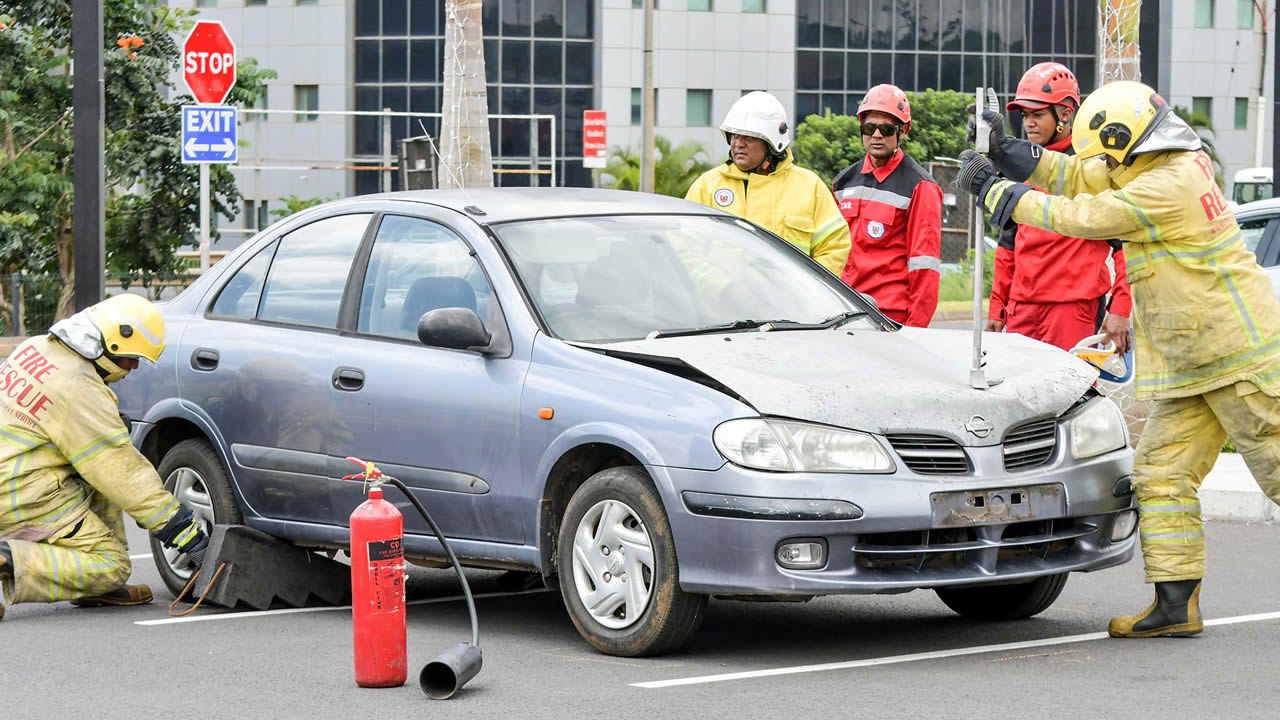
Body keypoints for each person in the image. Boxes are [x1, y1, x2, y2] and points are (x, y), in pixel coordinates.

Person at [957, 80, 1280, 638]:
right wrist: (1007, 149)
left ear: (1123, 138)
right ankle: (1176, 606)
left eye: (1107, 149)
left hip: (1238, 356)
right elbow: (1080, 175)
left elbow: (1083, 215)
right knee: (1160, 475)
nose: (1103, 160)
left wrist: (996, 191)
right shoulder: (1154, 162)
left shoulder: (1165, 184)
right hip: (1196, 362)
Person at [0, 294, 209, 621]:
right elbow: (123, 473)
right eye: (131, 358)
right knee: (112, 565)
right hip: (22, 494)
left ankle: (92, 588)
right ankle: (10, 559)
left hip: (14, 472)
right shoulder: (78, 387)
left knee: (102, 461)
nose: (134, 367)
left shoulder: (38, 346)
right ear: (111, 343)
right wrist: (183, 532)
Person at [987, 63, 1133, 353]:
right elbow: (1008, 246)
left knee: (1072, 393)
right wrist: (997, 307)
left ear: (1065, 114)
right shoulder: (1017, 165)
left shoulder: (1094, 167)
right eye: (1026, 115)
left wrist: (1121, 308)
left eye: (1038, 114)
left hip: (1073, 308)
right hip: (1022, 307)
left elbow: (1125, 247)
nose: (1029, 123)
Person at [685, 91, 851, 277]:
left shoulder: (809, 186)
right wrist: (721, 289)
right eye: (734, 135)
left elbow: (835, 246)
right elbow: (684, 247)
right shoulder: (707, 185)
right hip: (719, 303)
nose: (738, 144)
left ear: (772, 144)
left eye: (748, 137)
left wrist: (804, 291)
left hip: (790, 303)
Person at [831, 84, 943, 328]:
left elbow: (925, 267)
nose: (877, 135)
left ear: (903, 131)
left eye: (887, 129)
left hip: (890, 318)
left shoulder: (920, 186)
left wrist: (914, 330)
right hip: (845, 312)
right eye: (870, 128)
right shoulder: (842, 182)